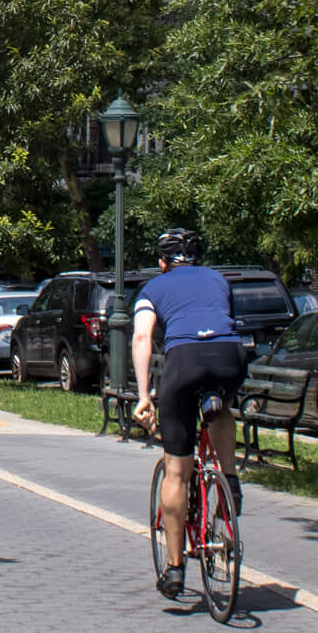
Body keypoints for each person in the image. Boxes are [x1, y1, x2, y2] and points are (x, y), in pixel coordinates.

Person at [131, 227, 247, 599]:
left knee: (177, 472)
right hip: (229, 358)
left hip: (184, 363)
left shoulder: (152, 289)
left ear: (163, 261)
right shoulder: (218, 280)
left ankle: (176, 569)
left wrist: (143, 394)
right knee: (221, 407)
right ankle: (228, 477)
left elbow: (141, 338)